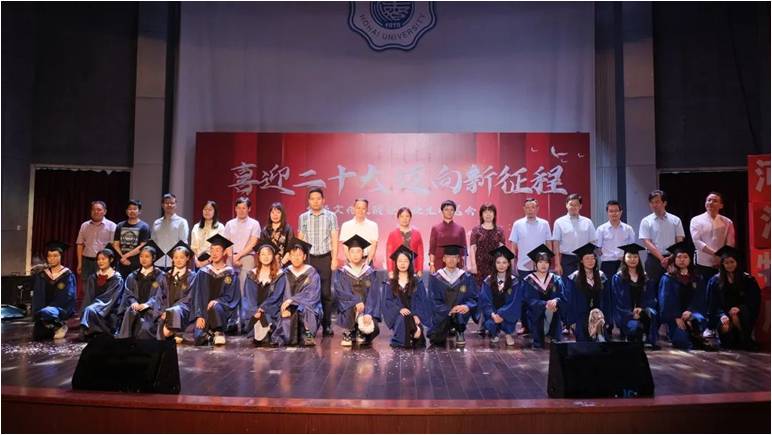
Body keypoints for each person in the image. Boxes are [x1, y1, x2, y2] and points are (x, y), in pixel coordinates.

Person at [658, 241, 715, 351]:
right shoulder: (668, 278)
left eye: (685, 257)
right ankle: (696, 340)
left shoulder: (697, 278)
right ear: (674, 259)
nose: (682, 260)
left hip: (693, 314)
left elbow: (700, 298)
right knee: (682, 340)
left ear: (690, 259)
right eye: (679, 257)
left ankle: (697, 336)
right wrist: (676, 317)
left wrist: (690, 311)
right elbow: (665, 301)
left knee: (696, 322)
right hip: (675, 318)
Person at [297, 188, 338, 337]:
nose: (315, 201)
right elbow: (300, 239)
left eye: (318, 198)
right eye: (312, 199)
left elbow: (334, 238)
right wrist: (300, 260)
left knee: (326, 293)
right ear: (309, 201)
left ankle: (327, 325)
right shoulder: (303, 217)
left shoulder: (331, 216)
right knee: (309, 293)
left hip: (325, 258)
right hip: (309, 258)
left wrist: (334, 258)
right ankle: (310, 326)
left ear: (323, 200)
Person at [552, 194, 596, 334]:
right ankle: (567, 323)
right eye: (571, 204)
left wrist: (590, 261)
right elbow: (556, 244)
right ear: (566, 205)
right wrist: (557, 263)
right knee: (567, 292)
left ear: (580, 206)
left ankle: (583, 322)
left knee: (583, 292)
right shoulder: (559, 222)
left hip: (584, 260)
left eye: (576, 204)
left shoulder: (587, 222)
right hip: (567, 260)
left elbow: (592, 242)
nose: (573, 207)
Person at [508, 197, 552, 335]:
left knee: (541, 297)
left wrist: (548, 262)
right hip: (523, 267)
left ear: (537, 208)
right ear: (524, 209)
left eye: (533, 207)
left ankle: (542, 325)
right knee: (524, 298)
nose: (530, 210)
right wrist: (512, 264)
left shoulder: (544, 224)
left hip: (541, 267)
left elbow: (548, 244)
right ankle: (525, 325)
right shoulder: (518, 224)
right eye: (527, 207)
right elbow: (513, 246)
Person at [707, 245, 761, 351]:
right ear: (722, 264)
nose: (729, 265)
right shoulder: (715, 281)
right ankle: (729, 341)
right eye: (726, 263)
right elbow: (712, 303)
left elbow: (754, 300)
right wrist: (722, 315)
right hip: (723, 313)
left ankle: (745, 339)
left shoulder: (747, 279)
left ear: (737, 262)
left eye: (732, 262)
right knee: (725, 327)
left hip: (741, 313)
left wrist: (739, 308)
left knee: (737, 315)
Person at [271, 238, 322, 347]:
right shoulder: (285, 273)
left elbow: (312, 295)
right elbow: (279, 293)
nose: (296, 258)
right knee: (282, 311)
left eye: (299, 255)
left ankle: (308, 335)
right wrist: (286, 304)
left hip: (306, 305)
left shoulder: (312, 273)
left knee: (308, 308)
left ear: (304, 257)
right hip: (288, 305)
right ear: (289, 257)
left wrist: (293, 300)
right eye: (293, 255)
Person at [191, 234, 240, 346]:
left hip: (221, 312)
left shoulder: (230, 273)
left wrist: (217, 301)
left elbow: (232, 297)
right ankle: (210, 334)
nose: (214, 253)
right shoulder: (202, 272)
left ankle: (219, 331)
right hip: (204, 313)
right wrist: (199, 315)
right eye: (212, 250)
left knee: (215, 306)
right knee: (198, 338)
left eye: (218, 250)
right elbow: (197, 295)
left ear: (224, 252)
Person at [639, 189, 685, 305]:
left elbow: (679, 241)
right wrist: (661, 258)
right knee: (652, 289)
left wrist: (670, 258)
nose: (654, 205)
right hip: (654, 260)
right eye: (652, 202)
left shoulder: (675, 220)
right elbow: (646, 242)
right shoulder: (646, 221)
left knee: (673, 290)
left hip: (672, 259)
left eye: (657, 202)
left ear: (664, 203)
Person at [427, 244, 478, 347]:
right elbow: (433, 300)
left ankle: (459, 330)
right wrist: (448, 309)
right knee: (435, 339)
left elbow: (473, 297)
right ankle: (446, 328)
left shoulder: (466, 277)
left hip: (460, 313)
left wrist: (467, 306)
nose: (451, 260)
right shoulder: (436, 278)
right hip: (443, 313)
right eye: (448, 257)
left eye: (454, 257)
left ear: (458, 259)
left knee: (461, 312)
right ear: (444, 259)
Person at [382, 245, 432, 349]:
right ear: (396, 263)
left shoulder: (417, 282)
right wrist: (399, 309)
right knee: (402, 318)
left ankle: (412, 331)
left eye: (405, 261)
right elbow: (387, 302)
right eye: (400, 261)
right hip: (398, 316)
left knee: (418, 342)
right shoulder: (390, 283)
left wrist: (417, 315)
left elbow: (421, 301)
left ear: (410, 263)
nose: (402, 264)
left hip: (414, 316)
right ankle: (414, 330)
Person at [335, 235, 380, 347]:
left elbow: (373, 295)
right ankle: (348, 332)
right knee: (348, 305)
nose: (355, 255)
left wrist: (368, 312)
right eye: (352, 252)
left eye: (358, 251)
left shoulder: (369, 272)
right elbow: (342, 293)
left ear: (363, 253)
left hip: (365, 308)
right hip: (350, 306)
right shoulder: (343, 272)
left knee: (374, 329)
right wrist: (356, 301)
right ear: (348, 254)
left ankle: (360, 330)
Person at [223, 197, 261, 331]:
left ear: (249, 209)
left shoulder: (254, 224)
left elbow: (253, 243)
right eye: (238, 208)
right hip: (231, 257)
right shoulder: (229, 224)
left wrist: (238, 256)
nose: (241, 210)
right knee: (230, 289)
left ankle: (245, 321)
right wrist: (232, 258)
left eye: (244, 208)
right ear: (235, 209)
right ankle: (232, 321)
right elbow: (226, 242)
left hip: (247, 257)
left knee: (245, 289)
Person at [612, 243, 660, 349]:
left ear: (639, 259)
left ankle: (650, 339)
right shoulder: (618, 278)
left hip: (643, 312)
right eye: (629, 257)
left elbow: (651, 297)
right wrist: (631, 314)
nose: (632, 259)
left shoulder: (645, 277)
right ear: (624, 259)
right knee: (635, 329)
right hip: (626, 316)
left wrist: (642, 310)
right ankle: (629, 333)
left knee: (652, 313)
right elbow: (617, 301)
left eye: (635, 257)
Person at [117, 240, 167, 340]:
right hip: (134, 309)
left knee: (144, 330)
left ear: (153, 258)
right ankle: (124, 343)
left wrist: (146, 305)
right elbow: (128, 293)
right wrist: (134, 302)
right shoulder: (133, 276)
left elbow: (160, 295)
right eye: (141, 256)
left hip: (151, 310)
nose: (143, 259)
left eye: (147, 256)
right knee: (130, 313)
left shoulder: (160, 276)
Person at [242, 238, 287, 346]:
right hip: (255, 310)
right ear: (258, 256)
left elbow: (277, 296)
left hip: (271, 308)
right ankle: (262, 331)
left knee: (268, 317)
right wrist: (255, 310)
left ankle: (268, 330)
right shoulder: (252, 275)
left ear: (273, 256)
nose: (266, 257)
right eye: (263, 254)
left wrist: (263, 308)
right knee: (253, 317)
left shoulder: (280, 275)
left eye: (269, 254)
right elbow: (249, 296)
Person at [565, 243, 611, 342]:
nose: (591, 261)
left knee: (602, 343)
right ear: (581, 261)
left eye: (593, 258)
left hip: (599, 316)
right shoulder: (574, 278)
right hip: (580, 318)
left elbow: (607, 300)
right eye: (587, 258)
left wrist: (607, 319)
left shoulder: (601, 276)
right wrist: (572, 322)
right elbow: (570, 302)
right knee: (584, 344)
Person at [31, 241, 77, 340]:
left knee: (48, 312)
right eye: (49, 256)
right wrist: (38, 312)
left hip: (59, 309)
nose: (52, 259)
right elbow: (37, 295)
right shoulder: (42, 274)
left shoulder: (67, 274)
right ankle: (49, 322)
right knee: (38, 335)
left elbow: (68, 295)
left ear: (60, 257)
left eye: (55, 256)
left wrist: (53, 307)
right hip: (43, 311)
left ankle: (60, 325)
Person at [523, 244, 566, 349]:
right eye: (540, 262)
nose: (543, 265)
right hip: (535, 313)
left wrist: (556, 301)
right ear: (535, 264)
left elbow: (562, 296)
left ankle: (552, 335)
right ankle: (540, 337)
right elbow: (528, 300)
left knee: (555, 310)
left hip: (553, 311)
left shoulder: (556, 279)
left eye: (546, 262)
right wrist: (545, 304)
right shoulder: (529, 280)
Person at [478, 246, 522, 346]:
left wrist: (502, 314)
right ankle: (494, 333)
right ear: (494, 264)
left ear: (508, 264)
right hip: (493, 315)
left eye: (504, 262)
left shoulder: (514, 281)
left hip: (507, 314)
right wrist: (493, 314)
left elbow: (514, 302)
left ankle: (508, 333)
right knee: (490, 323)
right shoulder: (488, 281)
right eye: (498, 262)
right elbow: (485, 301)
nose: (501, 265)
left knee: (510, 316)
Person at [690, 192, 736, 285]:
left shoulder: (727, 222)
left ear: (721, 205)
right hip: (703, 263)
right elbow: (697, 241)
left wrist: (722, 258)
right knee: (703, 290)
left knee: (721, 289)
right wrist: (716, 255)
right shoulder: (696, 220)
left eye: (715, 201)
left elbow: (730, 243)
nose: (711, 202)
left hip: (722, 263)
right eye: (709, 200)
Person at [80, 244, 124, 340]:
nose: (100, 261)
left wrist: (96, 306)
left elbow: (111, 298)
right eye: (98, 259)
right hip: (94, 306)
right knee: (87, 310)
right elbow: (88, 296)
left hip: (109, 308)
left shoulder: (116, 278)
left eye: (103, 259)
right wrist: (86, 309)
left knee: (90, 310)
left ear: (111, 260)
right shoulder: (93, 277)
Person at [159, 241, 197, 343]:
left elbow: (189, 298)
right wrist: (162, 310)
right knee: (162, 333)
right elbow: (160, 296)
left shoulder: (192, 276)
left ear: (187, 258)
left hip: (183, 311)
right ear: (172, 259)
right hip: (166, 310)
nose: (178, 260)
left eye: (181, 257)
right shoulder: (166, 276)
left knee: (166, 332)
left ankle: (178, 332)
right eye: (176, 257)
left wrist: (170, 311)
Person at [76, 200, 117, 284]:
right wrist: (80, 263)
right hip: (87, 262)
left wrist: (112, 264)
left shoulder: (112, 226)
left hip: (104, 262)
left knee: (102, 287)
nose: (96, 212)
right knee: (86, 287)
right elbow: (80, 244)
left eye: (99, 210)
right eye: (93, 209)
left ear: (105, 211)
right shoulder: (84, 225)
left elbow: (114, 246)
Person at [113, 199, 151, 279]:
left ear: (139, 211)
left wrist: (126, 256)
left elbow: (142, 246)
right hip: (121, 263)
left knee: (135, 285)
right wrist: (122, 257)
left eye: (134, 209)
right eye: (130, 209)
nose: (132, 211)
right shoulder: (120, 225)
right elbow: (116, 244)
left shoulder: (144, 227)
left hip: (137, 264)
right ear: (126, 211)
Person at [469, 203, 506, 285]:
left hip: (495, 266)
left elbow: (502, 249)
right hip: (480, 266)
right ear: (481, 215)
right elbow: (472, 248)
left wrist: (502, 265)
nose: (488, 214)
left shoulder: (499, 230)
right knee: (480, 289)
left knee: (495, 288)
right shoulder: (476, 230)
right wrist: (473, 265)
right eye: (485, 212)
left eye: (490, 212)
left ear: (494, 214)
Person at [151, 193, 190, 270]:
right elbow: (153, 243)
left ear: (176, 205)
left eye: (172, 203)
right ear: (162, 205)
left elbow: (183, 243)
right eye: (166, 203)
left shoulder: (182, 222)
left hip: (175, 262)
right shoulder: (156, 223)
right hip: (158, 262)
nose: (169, 205)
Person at [385, 207, 425, 278]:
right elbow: (389, 253)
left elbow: (420, 254)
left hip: (413, 269)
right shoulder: (392, 234)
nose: (404, 219)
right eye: (402, 216)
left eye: (407, 216)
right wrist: (390, 270)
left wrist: (420, 269)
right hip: (397, 269)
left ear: (410, 218)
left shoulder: (417, 233)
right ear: (398, 218)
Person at [339, 198, 380, 266]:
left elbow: (374, 245)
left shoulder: (373, 225)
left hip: (367, 261)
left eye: (363, 208)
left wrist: (367, 263)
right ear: (354, 209)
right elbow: (345, 247)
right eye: (358, 208)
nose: (360, 211)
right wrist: (351, 263)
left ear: (367, 210)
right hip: (350, 262)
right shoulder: (346, 225)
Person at [190, 200, 224, 269]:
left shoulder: (220, 227)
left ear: (215, 212)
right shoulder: (196, 227)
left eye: (210, 210)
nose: (207, 212)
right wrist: (197, 261)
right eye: (205, 209)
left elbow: (220, 249)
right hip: (198, 262)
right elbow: (193, 247)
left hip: (213, 262)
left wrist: (206, 262)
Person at [259, 202, 294, 266]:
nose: (275, 215)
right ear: (269, 214)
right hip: (268, 263)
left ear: (282, 214)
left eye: (278, 212)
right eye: (273, 213)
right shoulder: (265, 230)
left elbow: (291, 249)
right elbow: (262, 249)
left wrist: (281, 263)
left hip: (284, 264)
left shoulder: (288, 229)